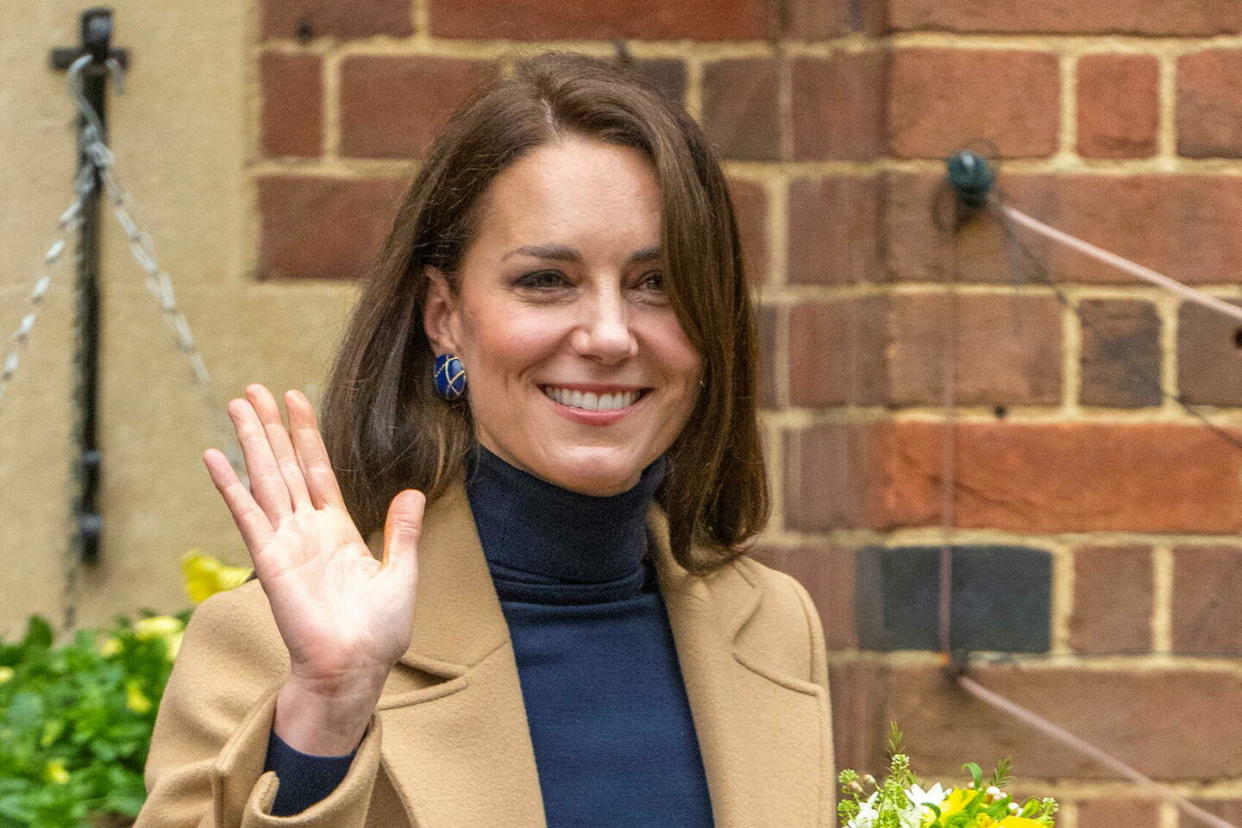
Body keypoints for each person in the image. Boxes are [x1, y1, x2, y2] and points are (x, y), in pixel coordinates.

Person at [136, 51, 833, 827]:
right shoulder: (272, 646)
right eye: (546, 280)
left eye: (657, 284)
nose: (608, 335)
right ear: (445, 318)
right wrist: (326, 718)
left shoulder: (773, 625)